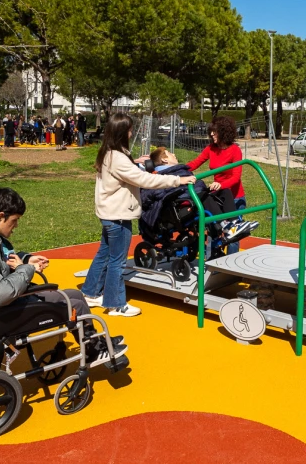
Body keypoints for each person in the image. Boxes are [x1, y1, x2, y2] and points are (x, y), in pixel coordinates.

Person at [0, 189, 118, 363]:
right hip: (4, 309)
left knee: (76, 295)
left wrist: (26, 258)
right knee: (75, 304)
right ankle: (94, 351)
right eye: (14, 221)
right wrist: (26, 269)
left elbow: (0, 260)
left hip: (2, 301)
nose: (16, 226)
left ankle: (94, 342)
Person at [84, 113, 196, 317]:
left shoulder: (108, 153)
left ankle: (90, 292)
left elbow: (125, 172)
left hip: (109, 213)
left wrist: (134, 162)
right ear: (121, 133)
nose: (131, 132)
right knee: (117, 261)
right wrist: (177, 181)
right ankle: (116, 304)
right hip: (118, 215)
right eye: (129, 129)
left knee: (104, 254)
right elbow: (145, 180)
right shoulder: (117, 158)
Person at [143, 147, 258, 242]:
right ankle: (225, 226)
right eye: (169, 153)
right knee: (204, 196)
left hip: (191, 196)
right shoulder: (158, 176)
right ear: (164, 160)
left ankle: (235, 224)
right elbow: (156, 193)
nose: (173, 154)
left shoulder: (178, 170)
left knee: (224, 191)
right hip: (179, 205)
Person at [187, 116, 248, 253]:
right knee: (215, 228)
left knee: (233, 233)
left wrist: (222, 184)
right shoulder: (211, 148)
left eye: (215, 131)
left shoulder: (234, 150)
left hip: (235, 196)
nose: (212, 134)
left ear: (224, 132)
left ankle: (231, 266)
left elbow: (236, 177)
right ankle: (214, 262)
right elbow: (195, 163)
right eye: (211, 131)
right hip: (219, 195)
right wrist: (176, 170)